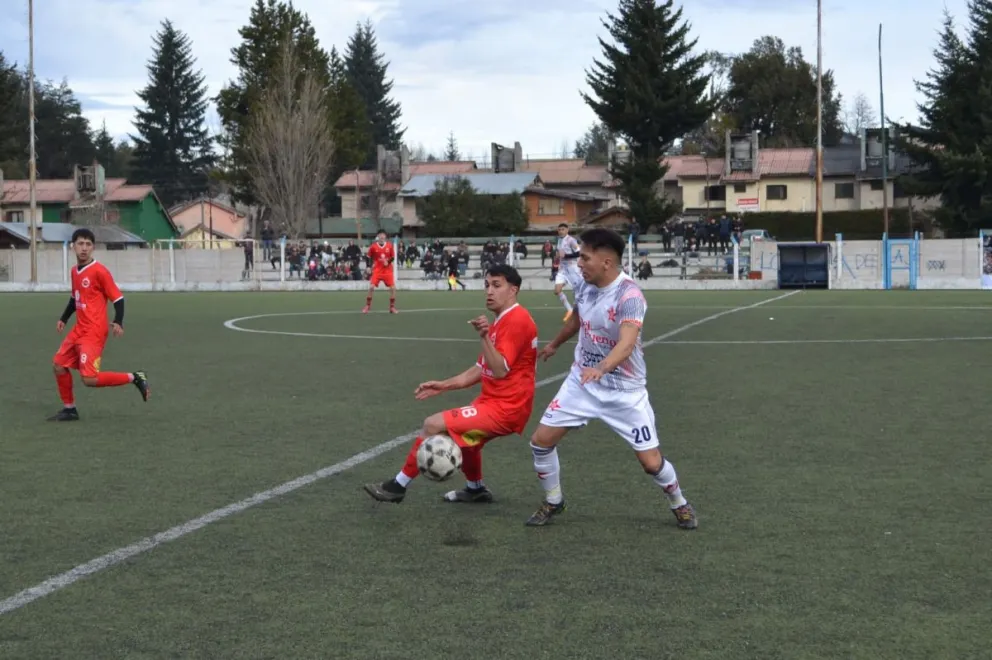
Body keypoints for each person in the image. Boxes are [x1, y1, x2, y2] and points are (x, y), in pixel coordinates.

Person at [524, 227, 698, 529]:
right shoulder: (586, 286)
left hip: (625, 392)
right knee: (540, 442)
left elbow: (627, 343)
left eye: (586, 258)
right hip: (582, 383)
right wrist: (554, 344)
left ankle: (679, 503)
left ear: (606, 262)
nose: (579, 264)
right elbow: (578, 318)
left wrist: (602, 368)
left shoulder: (630, 295)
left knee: (651, 464)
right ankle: (554, 501)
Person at [363, 264, 538, 504]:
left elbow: (498, 370)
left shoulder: (516, 320)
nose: (489, 291)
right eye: (487, 285)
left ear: (513, 290)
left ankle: (397, 486)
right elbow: (479, 370)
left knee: (432, 424)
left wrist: (483, 336)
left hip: (506, 408)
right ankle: (475, 489)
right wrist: (442, 386)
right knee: (467, 441)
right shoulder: (501, 321)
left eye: (497, 285)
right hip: (495, 402)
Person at [49, 228, 150, 421]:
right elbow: (74, 298)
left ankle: (135, 377)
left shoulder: (100, 271)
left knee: (89, 379)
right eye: (80, 244)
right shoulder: (74, 271)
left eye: (88, 244)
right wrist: (63, 318)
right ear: (73, 246)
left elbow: (118, 299)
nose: (84, 248)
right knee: (58, 365)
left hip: (94, 332)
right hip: (79, 329)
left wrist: (118, 320)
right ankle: (69, 409)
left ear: (93, 247)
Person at [363, 230, 397, 314]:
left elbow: (393, 257)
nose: (382, 236)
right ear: (378, 236)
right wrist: (368, 266)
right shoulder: (373, 246)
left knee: (393, 288)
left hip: (387, 271)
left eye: (383, 235)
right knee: (371, 287)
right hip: (377, 270)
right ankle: (367, 306)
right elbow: (368, 257)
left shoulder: (389, 245)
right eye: (380, 235)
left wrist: (388, 262)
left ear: (385, 236)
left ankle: (392, 307)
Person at [553, 222, 581, 322]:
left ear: (567, 230)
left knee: (577, 292)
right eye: (559, 229)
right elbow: (559, 254)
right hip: (562, 269)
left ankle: (581, 313)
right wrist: (556, 260)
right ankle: (569, 310)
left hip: (572, 269)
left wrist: (566, 256)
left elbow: (579, 252)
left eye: (563, 229)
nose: (561, 231)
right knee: (557, 290)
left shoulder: (571, 240)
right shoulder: (559, 240)